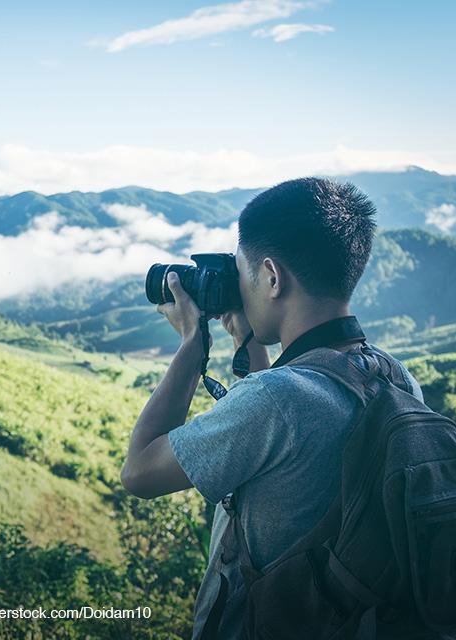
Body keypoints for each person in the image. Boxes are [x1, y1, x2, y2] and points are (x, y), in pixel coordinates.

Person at [120, 177, 423, 639]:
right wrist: (246, 339)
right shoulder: (396, 378)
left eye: (242, 273)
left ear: (272, 277)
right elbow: (279, 432)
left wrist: (191, 344)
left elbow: (139, 473)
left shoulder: (275, 402)